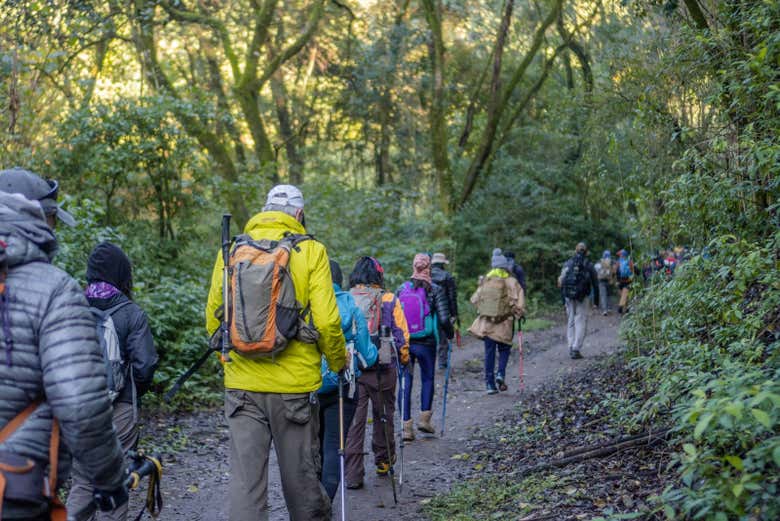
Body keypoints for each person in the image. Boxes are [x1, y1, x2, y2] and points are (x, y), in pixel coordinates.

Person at [205, 185, 346, 521]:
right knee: (301, 484)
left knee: (246, 486)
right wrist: (338, 362)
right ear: (298, 214)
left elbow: (214, 316)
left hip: (241, 387)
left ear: (264, 208)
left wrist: (232, 362)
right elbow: (327, 322)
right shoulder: (311, 250)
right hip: (293, 388)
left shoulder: (233, 248)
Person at [0, 168, 126, 521]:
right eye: (54, 218)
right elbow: (81, 405)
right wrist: (110, 479)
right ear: (40, 218)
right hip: (13, 488)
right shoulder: (55, 290)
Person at [66, 242, 159, 521]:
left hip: (78, 410)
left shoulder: (71, 307)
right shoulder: (131, 313)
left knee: (83, 481)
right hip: (119, 411)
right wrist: (129, 394)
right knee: (115, 481)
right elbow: (145, 365)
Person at [344, 256, 409, 489]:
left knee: (354, 422)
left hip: (354, 369)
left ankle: (352, 474)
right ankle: (383, 462)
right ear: (378, 275)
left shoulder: (347, 298)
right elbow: (401, 334)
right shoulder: (389, 298)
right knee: (383, 415)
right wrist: (403, 358)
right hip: (383, 366)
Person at [318, 260, 378, 500]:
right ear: (340, 280)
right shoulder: (350, 306)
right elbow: (367, 355)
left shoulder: (305, 303)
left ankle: (309, 504)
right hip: (342, 385)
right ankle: (324, 505)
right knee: (334, 445)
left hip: (307, 385)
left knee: (311, 447)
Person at [397, 254, 453, 439]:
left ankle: (406, 427)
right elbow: (444, 318)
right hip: (426, 342)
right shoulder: (434, 289)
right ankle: (424, 420)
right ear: (428, 267)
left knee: (405, 382)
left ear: (413, 266)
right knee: (427, 378)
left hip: (405, 342)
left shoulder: (402, 289)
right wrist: (451, 334)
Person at [468, 249, 525, 394]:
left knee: (489, 353)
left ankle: (489, 385)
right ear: (505, 266)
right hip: (505, 323)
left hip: (487, 324)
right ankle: (500, 374)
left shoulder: (486, 281)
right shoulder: (511, 281)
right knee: (504, 349)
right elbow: (519, 303)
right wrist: (519, 313)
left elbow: (474, 300)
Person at [558, 242, 598, 359]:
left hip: (568, 297)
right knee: (580, 320)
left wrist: (563, 299)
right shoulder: (589, 265)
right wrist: (596, 301)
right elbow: (595, 284)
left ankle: (570, 345)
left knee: (570, 320)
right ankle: (576, 348)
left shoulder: (568, 263)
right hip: (582, 297)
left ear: (575, 251)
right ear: (586, 252)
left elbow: (562, 281)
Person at [430, 252, 458, 370]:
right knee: (443, 335)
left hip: (430, 309)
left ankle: (429, 360)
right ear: (442, 264)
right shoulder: (447, 276)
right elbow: (452, 297)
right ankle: (442, 361)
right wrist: (454, 313)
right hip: (444, 308)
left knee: (430, 334)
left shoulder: (427, 275)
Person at [616, 249, 636, 314]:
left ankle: (626, 309)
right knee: (625, 295)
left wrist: (617, 281)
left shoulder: (618, 262)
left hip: (620, 281)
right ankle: (621, 307)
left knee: (624, 295)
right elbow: (636, 270)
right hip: (628, 281)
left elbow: (616, 272)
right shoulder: (629, 262)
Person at [595, 250, 613, 316]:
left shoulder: (599, 263)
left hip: (601, 281)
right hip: (609, 280)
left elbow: (596, 270)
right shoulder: (611, 262)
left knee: (603, 296)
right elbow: (613, 271)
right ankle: (609, 308)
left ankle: (604, 310)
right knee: (609, 295)